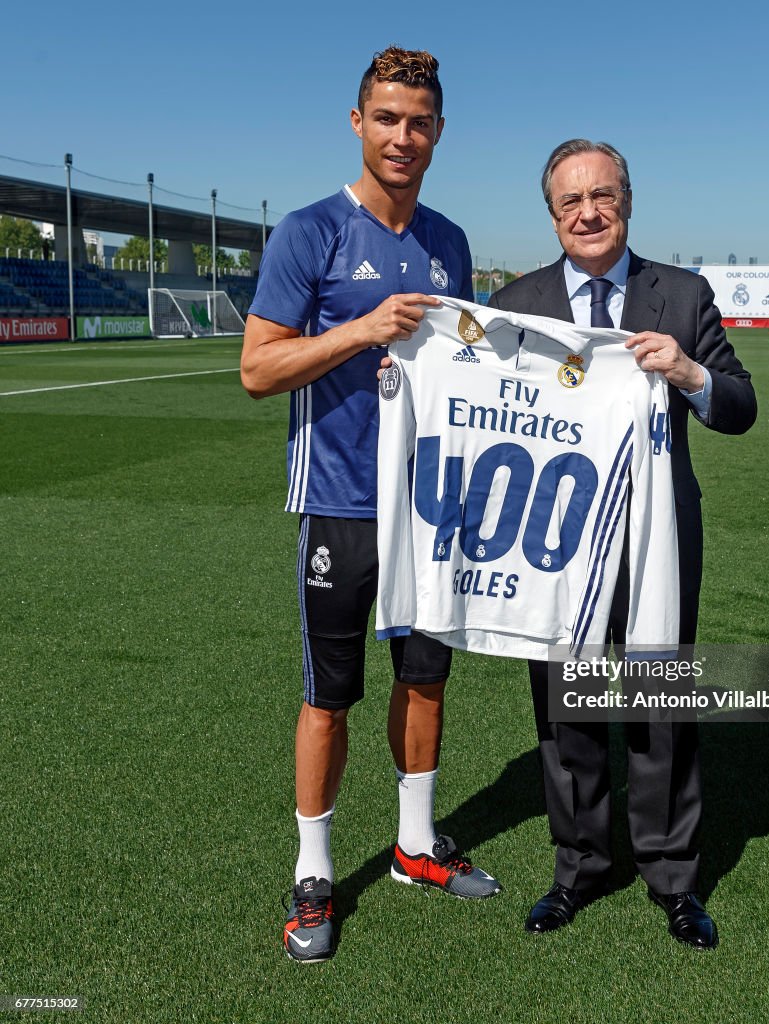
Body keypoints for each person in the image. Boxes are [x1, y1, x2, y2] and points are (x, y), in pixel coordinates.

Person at [240, 46, 501, 964]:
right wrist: (360, 328)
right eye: (386, 118)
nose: (402, 135)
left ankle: (415, 848)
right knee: (329, 697)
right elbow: (256, 370)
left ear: (438, 131)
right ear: (358, 123)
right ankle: (315, 874)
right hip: (340, 506)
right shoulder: (309, 232)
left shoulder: (453, 242)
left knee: (426, 678)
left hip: (430, 511)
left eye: (418, 121)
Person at [488, 139, 757, 949]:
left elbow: (740, 404)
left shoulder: (680, 294)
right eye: (571, 202)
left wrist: (689, 373)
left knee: (658, 700)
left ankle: (673, 874)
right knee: (565, 702)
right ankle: (578, 867)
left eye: (602, 196)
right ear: (553, 214)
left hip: (659, 536)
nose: (588, 213)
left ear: (628, 200)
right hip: (555, 541)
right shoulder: (517, 301)